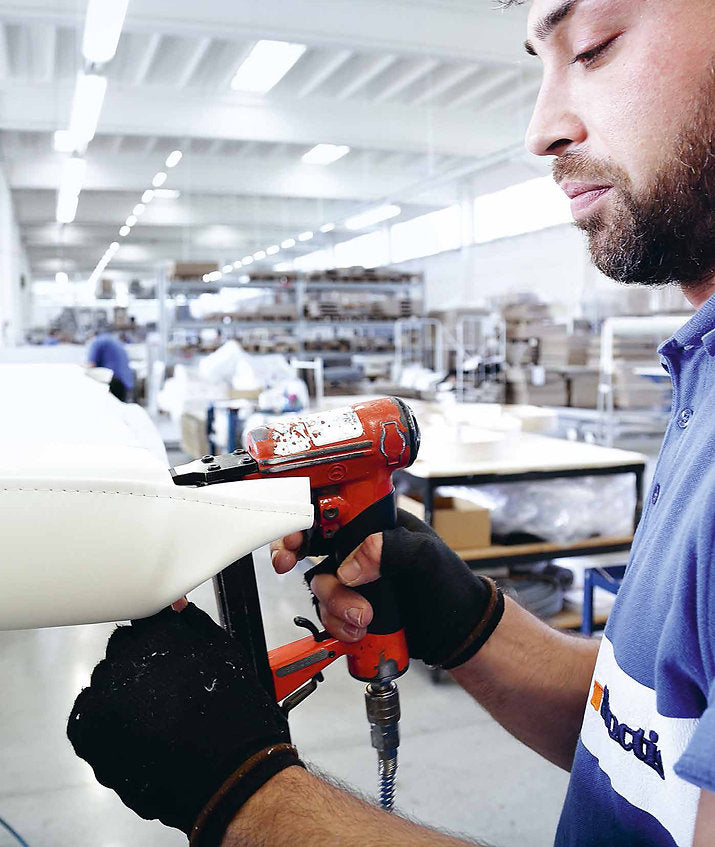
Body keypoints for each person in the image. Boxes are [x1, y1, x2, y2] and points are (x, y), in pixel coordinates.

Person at [67, 0, 715, 844]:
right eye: (540, 62)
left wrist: (247, 798)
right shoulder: (698, 376)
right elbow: (651, 742)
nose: (539, 130)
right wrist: (470, 621)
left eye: (592, 46)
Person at [86, 330, 135, 402]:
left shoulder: (97, 342)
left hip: (112, 380)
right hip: (125, 381)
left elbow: (91, 364)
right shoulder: (116, 341)